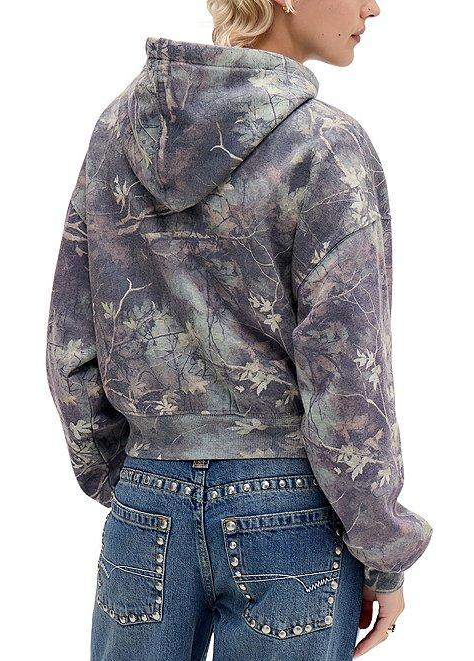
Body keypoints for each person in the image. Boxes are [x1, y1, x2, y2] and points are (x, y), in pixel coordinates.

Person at [45, 1, 432, 659]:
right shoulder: (325, 146)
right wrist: (382, 552)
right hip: (290, 513)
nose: (374, 6)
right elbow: (348, 375)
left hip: (148, 498)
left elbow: (72, 342)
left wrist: (138, 479)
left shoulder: (117, 131)